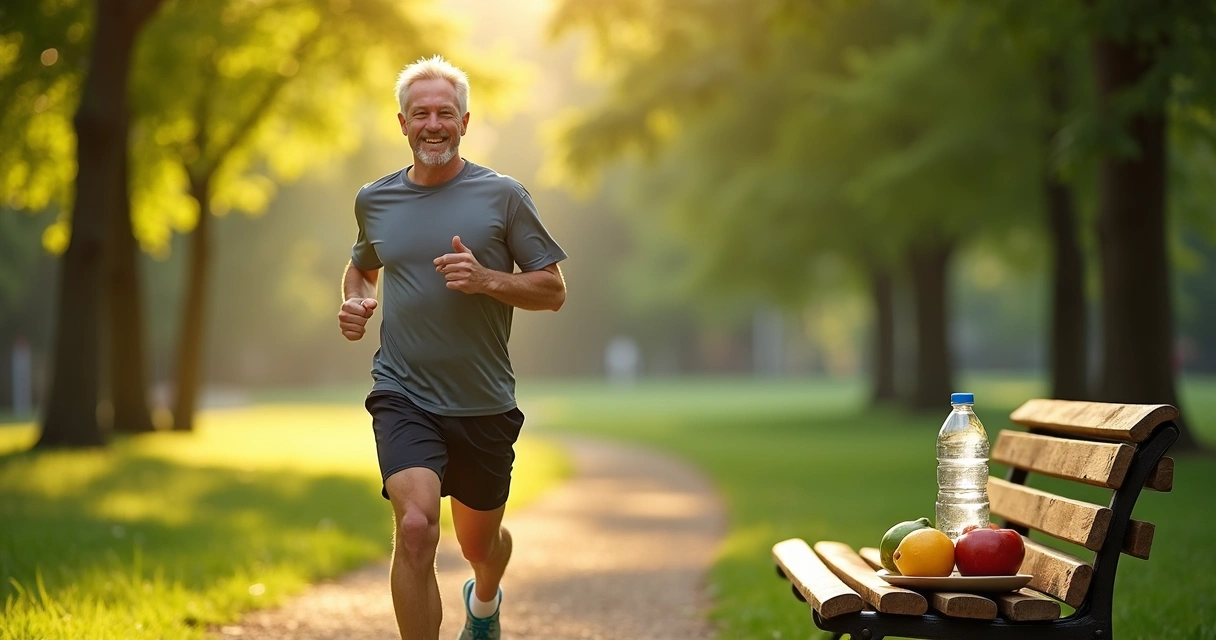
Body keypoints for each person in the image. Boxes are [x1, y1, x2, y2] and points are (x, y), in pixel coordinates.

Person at [337, 54, 567, 640]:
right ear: (402, 123)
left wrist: (488, 278)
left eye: (445, 112)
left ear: (465, 123)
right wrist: (358, 301)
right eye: (421, 113)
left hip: (483, 401)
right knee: (416, 528)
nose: (432, 124)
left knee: (479, 544)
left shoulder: (504, 196)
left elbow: (552, 290)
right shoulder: (375, 200)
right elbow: (361, 267)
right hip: (403, 391)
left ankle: (484, 601)